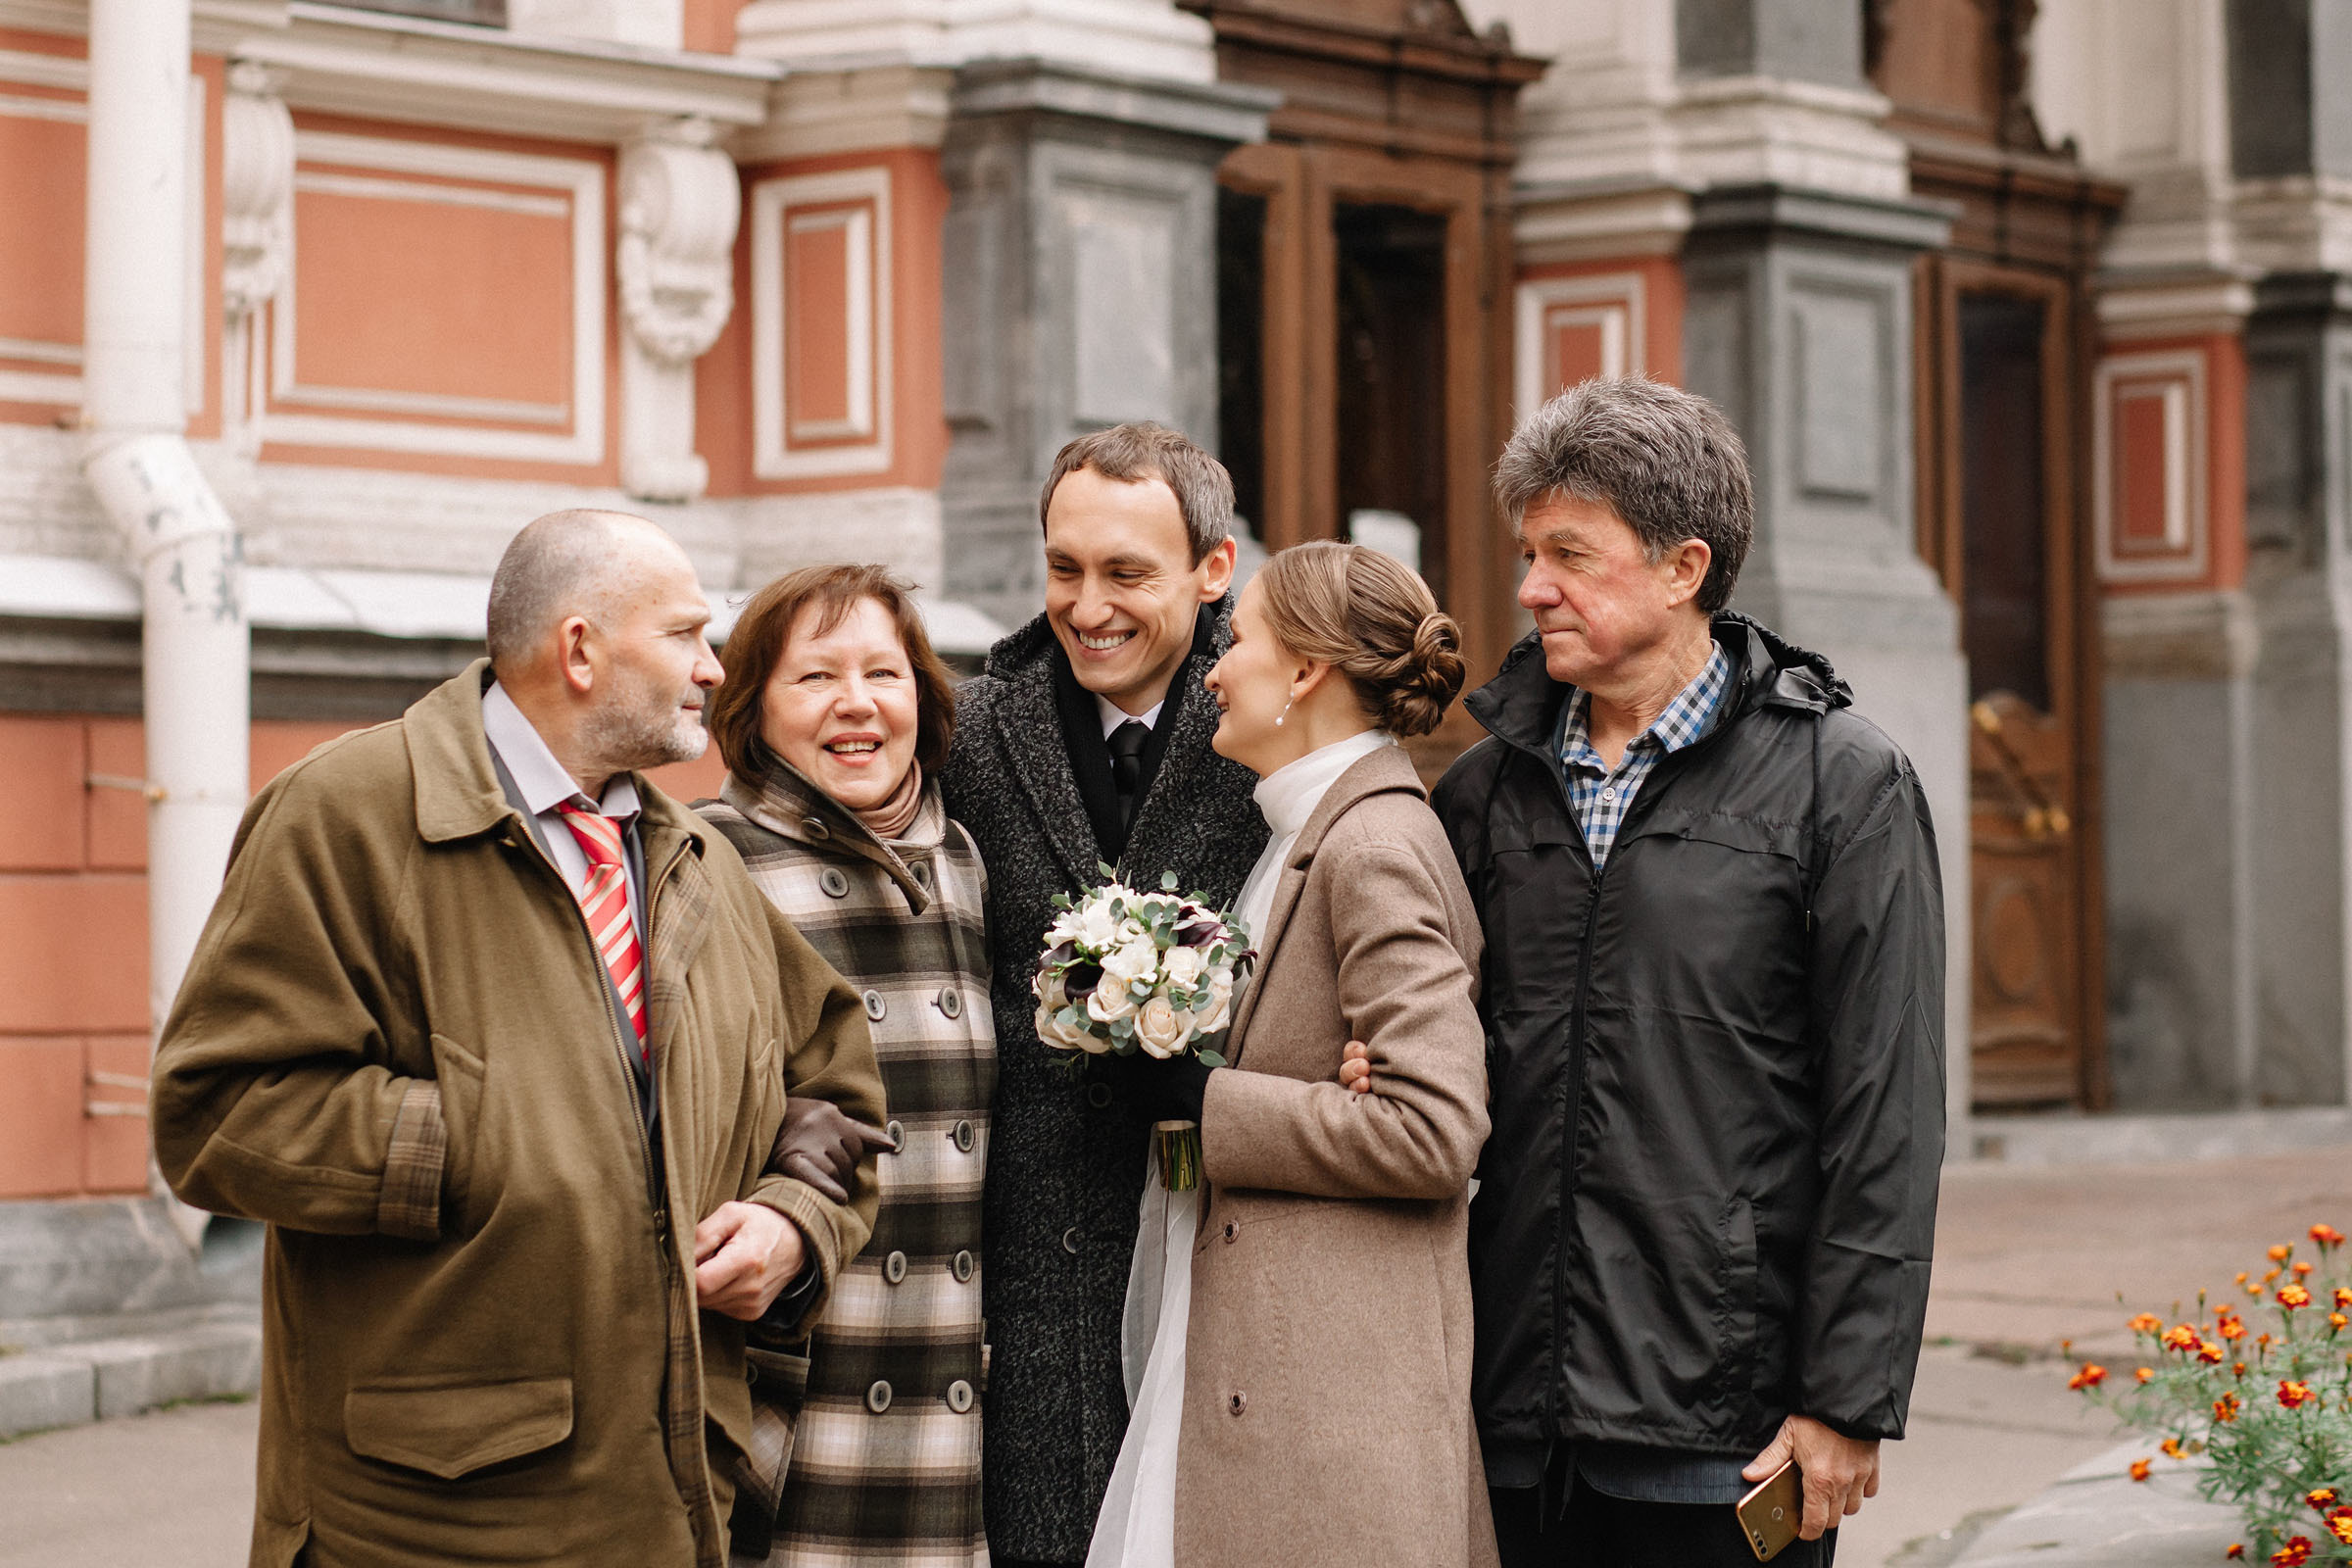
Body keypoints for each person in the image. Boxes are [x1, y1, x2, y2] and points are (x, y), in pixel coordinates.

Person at [149, 510, 889, 1568]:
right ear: (580, 649)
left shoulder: (695, 860)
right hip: (424, 1524)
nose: (714, 668)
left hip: (664, 1507)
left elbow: (832, 1087)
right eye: (684, 635)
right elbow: (215, 1110)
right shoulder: (347, 813)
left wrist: (794, 1222)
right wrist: (489, 1142)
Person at [1425, 378, 1945, 1566]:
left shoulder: (1843, 785)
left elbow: (1888, 1112)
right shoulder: (1482, 791)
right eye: (1527, 553)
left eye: (1570, 554)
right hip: (1510, 1416)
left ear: (1683, 567)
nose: (1531, 587)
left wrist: (1848, 1397)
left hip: (1731, 1429)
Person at [1086, 541, 1494, 1568]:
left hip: (1329, 1410)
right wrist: (1171, 1097)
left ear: (1307, 670)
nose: (1213, 672)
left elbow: (1433, 1128)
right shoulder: (1304, 832)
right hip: (1251, 1365)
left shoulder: (1373, 846)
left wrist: (1205, 1099)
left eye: (1236, 641)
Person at [943, 422, 1269, 1568]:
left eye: (1127, 573)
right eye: (1064, 568)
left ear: (1213, 569)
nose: (1088, 607)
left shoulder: (1276, 719)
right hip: (1027, 1281)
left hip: (1223, 1267)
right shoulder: (972, 728)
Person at [694, 564, 994, 1567]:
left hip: (949, 1387)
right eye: (816, 677)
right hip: (797, 1384)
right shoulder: (705, 861)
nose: (856, 703)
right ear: (753, 708)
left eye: (883, 673)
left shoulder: (964, 862)